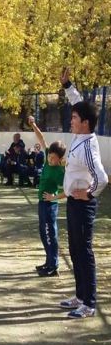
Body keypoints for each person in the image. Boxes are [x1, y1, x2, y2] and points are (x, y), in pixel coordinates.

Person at [58, 68, 108, 318]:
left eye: (74, 118)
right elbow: (78, 102)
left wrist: (88, 194)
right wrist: (68, 85)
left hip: (82, 205)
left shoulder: (88, 146)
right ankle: (80, 296)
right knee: (75, 250)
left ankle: (89, 303)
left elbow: (102, 178)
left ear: (85, 123)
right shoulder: (81, 133)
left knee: (83, 251)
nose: (71, 120)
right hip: (72, 203)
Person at [28, 118, 66, 278]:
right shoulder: (47, 157)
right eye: (49, 155)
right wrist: (33, 125)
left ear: (60, 159)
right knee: (43, 234)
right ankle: (48, 261)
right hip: (42, 203)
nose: (50, 159)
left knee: (51, 234)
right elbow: (42, 138)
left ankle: (53, 266)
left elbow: (68, 191)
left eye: (53, 158)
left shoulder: (59, 172)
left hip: (50, 206)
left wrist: (53, 197)